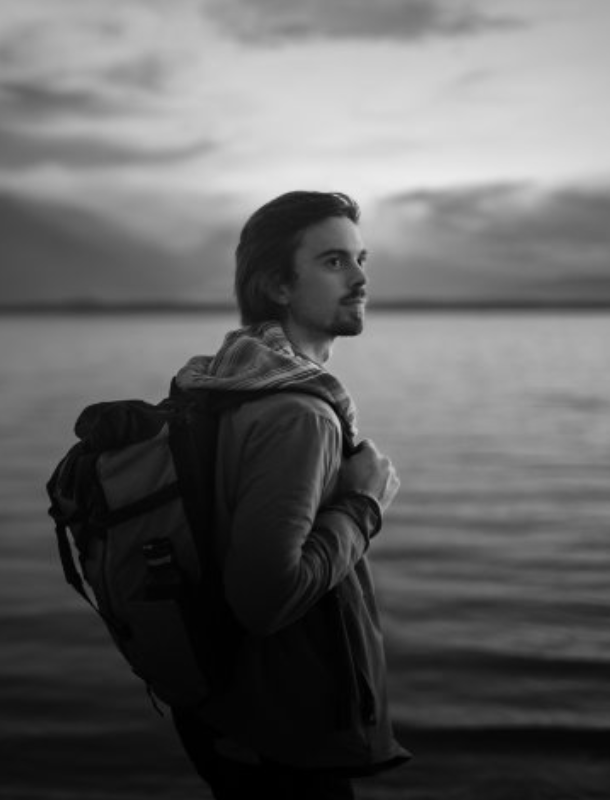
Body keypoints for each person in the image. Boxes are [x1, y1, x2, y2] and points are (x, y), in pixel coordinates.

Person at [171, 191, 411, 799]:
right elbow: (263, 598)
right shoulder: (298, 415)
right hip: (285, 736)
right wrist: (364, 505)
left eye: (361, 260)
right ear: (278, 286)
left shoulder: (229, 378)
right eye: (334, 262)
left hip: (231, 712)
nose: (360, 279)